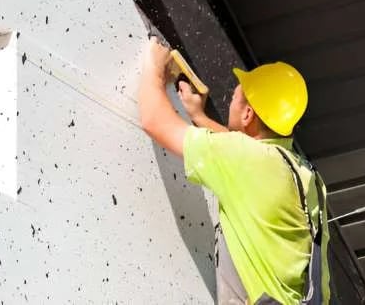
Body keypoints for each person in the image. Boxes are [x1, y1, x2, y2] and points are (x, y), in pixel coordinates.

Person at [138, 37, 330, 305]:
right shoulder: (307, 177)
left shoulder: (243, 159)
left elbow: (153, 120)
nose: (230, 99)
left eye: (235, 97)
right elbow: (246, 155)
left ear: (248, 115)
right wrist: (201, 118)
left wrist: (154, 66)